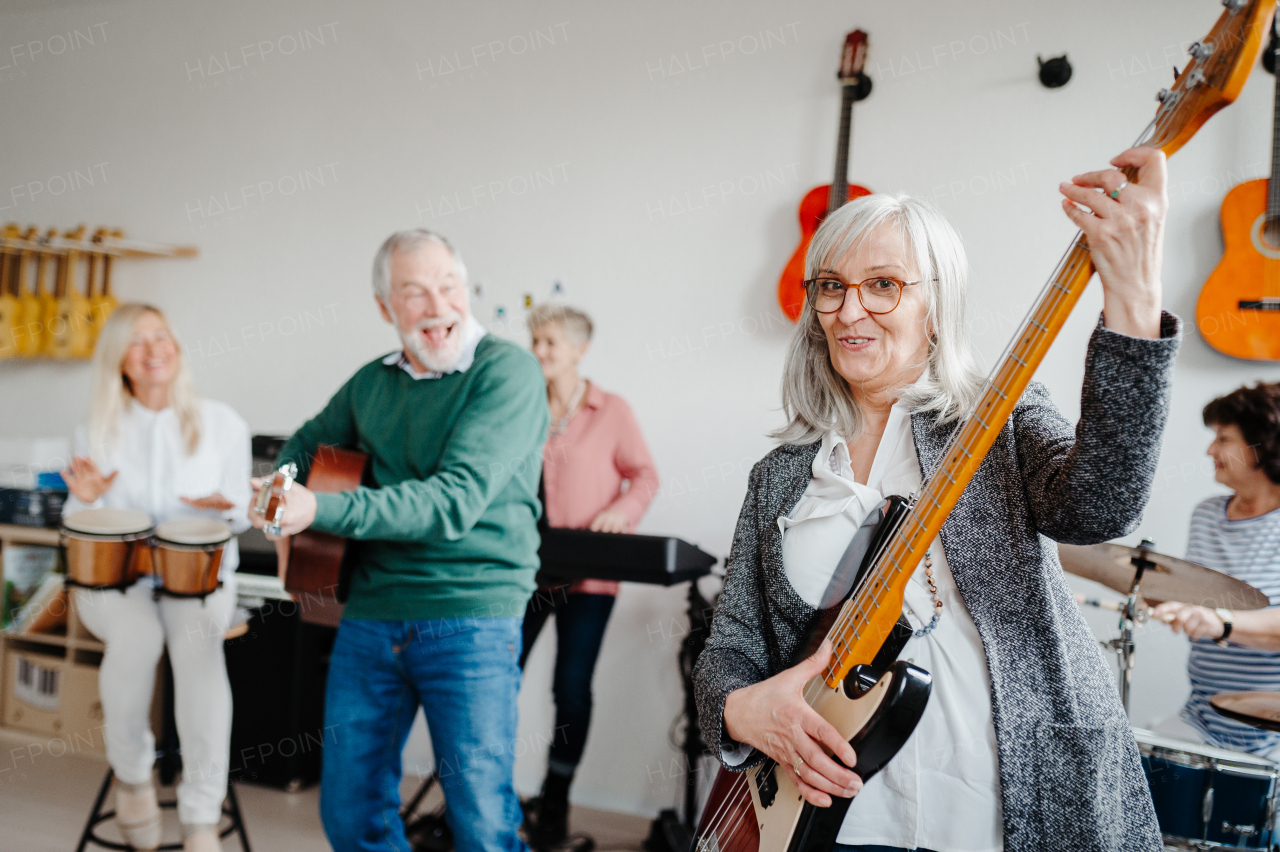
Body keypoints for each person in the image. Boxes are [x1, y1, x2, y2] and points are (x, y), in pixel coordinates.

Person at [693, 147, 1181, 852]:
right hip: (830, 822)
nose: (849, 310)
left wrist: (1132, 299)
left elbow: (1099, 507)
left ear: (936, 304)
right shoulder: (780, 474)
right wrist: (739, 710)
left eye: (883, 284)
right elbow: (731, 645)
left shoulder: (998, 420)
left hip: (1005, 814)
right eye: (831, 286)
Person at [248, 229, 548, 852]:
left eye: (448, 286)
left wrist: (318, 508)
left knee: (481, 822)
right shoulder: (370, 383)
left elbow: (453, 502)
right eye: (414, 293)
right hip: (371, 615)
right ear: (387, 308)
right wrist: (275, 499)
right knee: (350, 813)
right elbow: (299, 450)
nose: (436, 306)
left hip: (471, 613)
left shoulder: (509, 373)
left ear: (466, 292)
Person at [62, 303, 252, 852]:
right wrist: (85, 497)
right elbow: (77, 531)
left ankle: (200, 818)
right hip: (118, 586)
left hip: (199, 582)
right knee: (138, 636)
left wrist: (230, 505)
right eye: (136, 341)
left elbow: (243, 515)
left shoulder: (222, 423)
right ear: (118, 359)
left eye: (161, 337)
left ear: (177, 348)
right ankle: (132, 773)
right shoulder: (93, 428)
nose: (153, 350)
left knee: (199, 650)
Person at [520, 304, 659, 846]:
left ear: (580, 349)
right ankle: (485, 796)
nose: (540, 352)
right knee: (495, 677)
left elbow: (645, 476)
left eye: (551, 343)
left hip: (590, 577)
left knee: (570, 690)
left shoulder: (611, 410)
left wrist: (618, 515)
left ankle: (554, 806)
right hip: (527, 571)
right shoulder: (524, 407)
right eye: (536, 341)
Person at [1152, 382, 1280, 758]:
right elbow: (1195, 596)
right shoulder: (1208, 514)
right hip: (1203, 717)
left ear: (1264, 445)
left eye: (1224, 439)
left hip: (1272, 734)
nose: (1210, 450)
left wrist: (1220, 622)